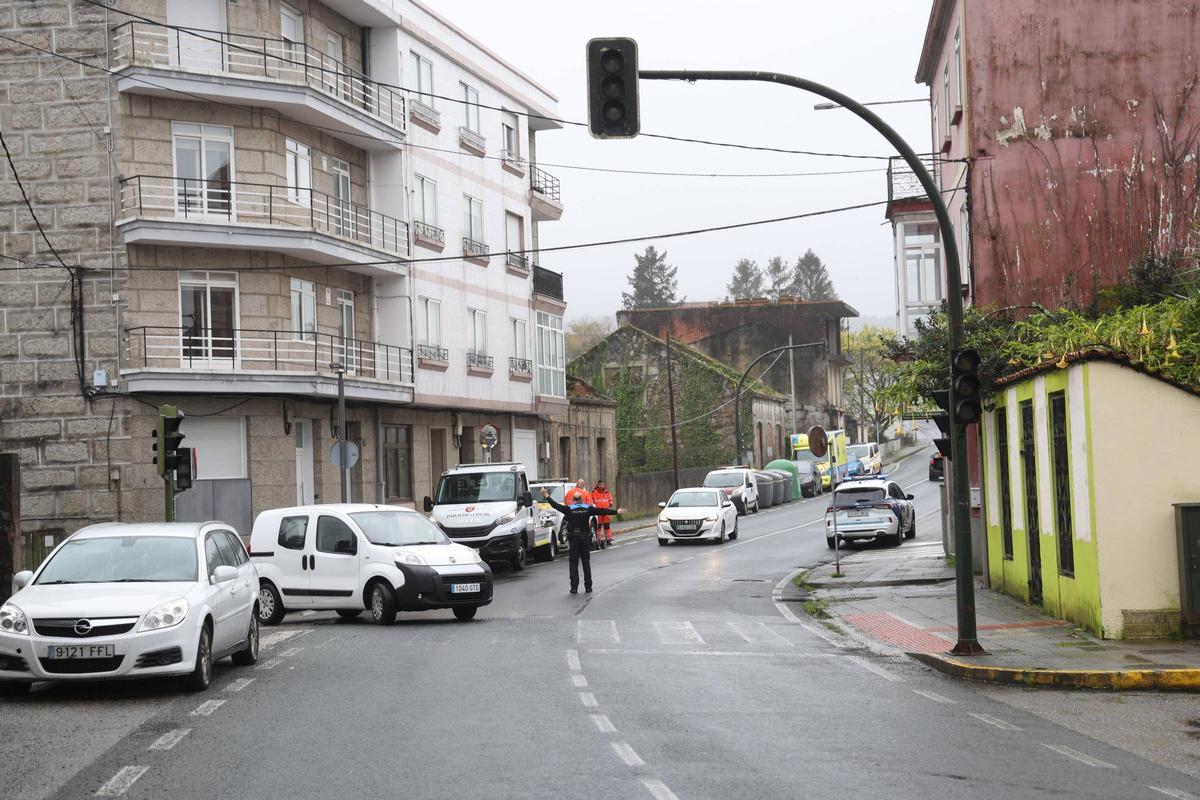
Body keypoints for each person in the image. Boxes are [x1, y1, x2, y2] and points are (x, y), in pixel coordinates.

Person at [541, 487, 624, 594]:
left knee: (573, 563)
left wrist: (546, 495)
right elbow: (602, 511)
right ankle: (588, 587)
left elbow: (555, 505)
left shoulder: (569, 509)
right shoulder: (587, 508)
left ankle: (574, 587)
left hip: (574, 538)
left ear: (573, 500)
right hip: (585, 538)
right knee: (586, 562)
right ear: (581, 499)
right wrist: (616, 511)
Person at [591, 481, 615, 547]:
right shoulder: (594, 492)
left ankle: (608, 539)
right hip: (598, 512)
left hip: (606, 511)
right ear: (598, 485)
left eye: (602, 485)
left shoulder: (607, 492)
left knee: (607, 526)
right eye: (600, 485)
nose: (601, 486)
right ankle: (598, 540)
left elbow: (611, 500)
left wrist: (609, 504)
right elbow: (591, 500)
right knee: (598, 527)